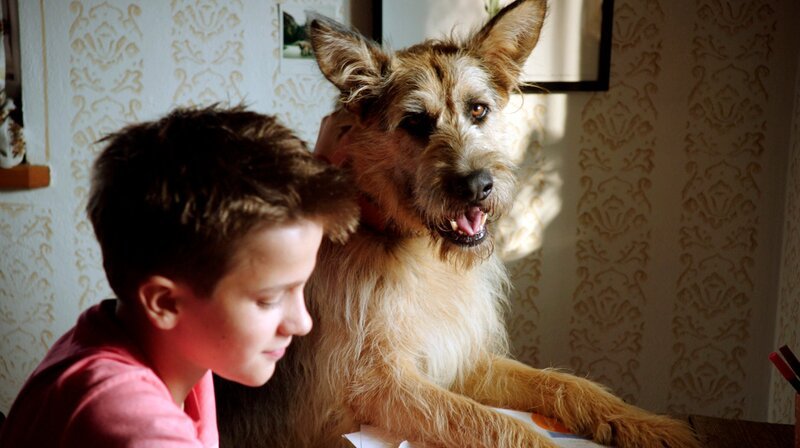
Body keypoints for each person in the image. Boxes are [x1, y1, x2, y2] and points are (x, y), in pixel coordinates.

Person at [0, 105, 359, 447]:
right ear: (165, 302)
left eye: (300, 289)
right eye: (269, 299)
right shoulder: (128, 419)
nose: (302, 323)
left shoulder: (177, 349)